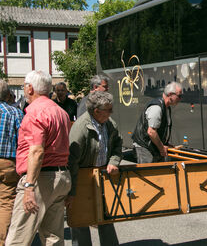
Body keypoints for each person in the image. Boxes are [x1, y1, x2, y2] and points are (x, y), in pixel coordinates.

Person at [5, 71, 71, 246]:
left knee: (18, 239)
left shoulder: (34, 113)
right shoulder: (60, 112)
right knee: (53, 237)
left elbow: (36, 152)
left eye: (24, 86)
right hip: (61, 176)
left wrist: (29, 186)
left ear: (30, 88)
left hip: (42, 179)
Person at [66, 91, 122, 246]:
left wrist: (114, 161)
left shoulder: (110, 123)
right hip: (82, 178)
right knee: (80, 220)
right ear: (96, 111)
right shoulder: (80, 128)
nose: (111, 112)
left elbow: (118, 144)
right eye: (109, 110)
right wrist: (72, 192)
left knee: (106, 217)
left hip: (103, 176)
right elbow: (72, 162)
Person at [131, 82, 182, 163]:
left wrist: (165, 143)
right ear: (170, 94)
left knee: (158, 172)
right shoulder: (157, 107)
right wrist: (162, 148)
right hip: (145, 147)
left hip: (152, 145)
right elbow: (151, 132)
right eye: (179, 96)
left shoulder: (166, 107)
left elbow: (160, 129)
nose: (180, 99)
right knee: (149, 173)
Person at [0, 81, 24, 246]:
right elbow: (23, 143)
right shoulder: (14, 113)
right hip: (7, 163)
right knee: (6, 203)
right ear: (8, 94)